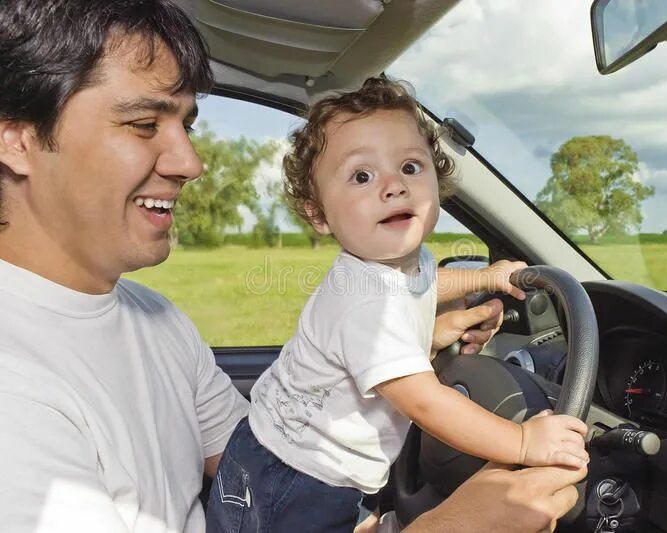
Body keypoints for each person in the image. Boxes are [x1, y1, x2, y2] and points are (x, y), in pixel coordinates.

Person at [0, 1, 585, 532]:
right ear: (17, 138)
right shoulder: (15, 394)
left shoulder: (154, 318)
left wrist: (409, 340)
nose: (191, 162)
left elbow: (250, 460)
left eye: (188, 126)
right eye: (144, 124)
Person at [205, 78, 589, 533]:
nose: (393, 186)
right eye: (362, 176)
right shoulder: (363, 301)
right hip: (294, 477)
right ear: (319, 213)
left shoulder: (401, 263)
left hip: (283, 455)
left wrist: (486, 277)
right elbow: (426, 403)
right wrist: (522, 441)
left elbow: (429, 283)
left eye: (410, 166)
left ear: (436, 176)